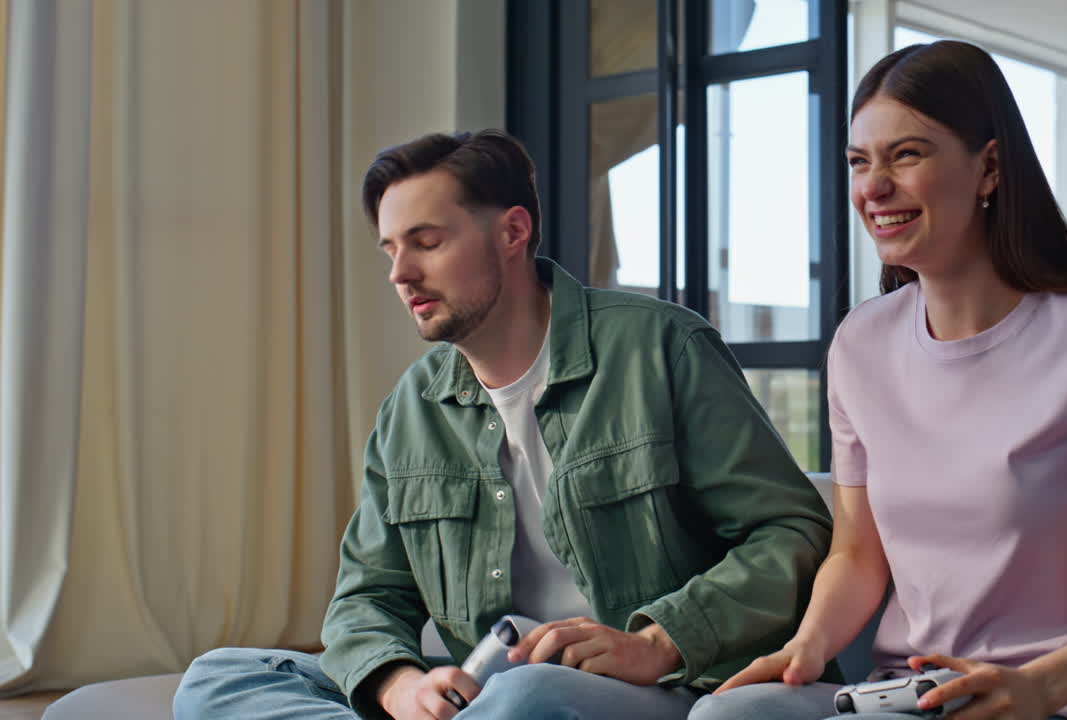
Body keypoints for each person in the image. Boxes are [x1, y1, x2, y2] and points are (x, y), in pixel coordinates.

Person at [172, 129, 835, 720]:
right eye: (391, 250)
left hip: (668, 685)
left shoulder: (659, 349)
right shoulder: (413, 407)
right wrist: (399, 685)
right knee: (218, 680)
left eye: (427, 243)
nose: (401, 274)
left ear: (512, 233)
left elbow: (790, 532)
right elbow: (366, 598)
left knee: (527, 696)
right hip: (494, 694)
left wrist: (657, 642)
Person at [688, 40, 1067, 720]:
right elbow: (858, 553)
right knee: (727, 715)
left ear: (990, 167)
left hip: (1064, 705)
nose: (873, 186)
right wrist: (806, 646)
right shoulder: (861, 343)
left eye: (906, 155)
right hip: (906, 699)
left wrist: (1041, 686)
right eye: (860, 161)